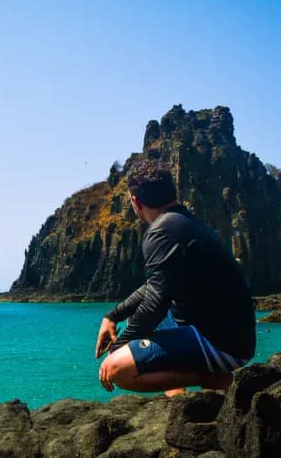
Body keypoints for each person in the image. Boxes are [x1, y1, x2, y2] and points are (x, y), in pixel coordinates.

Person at [95, 159, 256, 395]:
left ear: (135, 201)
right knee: (135, 324)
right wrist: (113, 316)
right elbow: (155, 286)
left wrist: (117, 350)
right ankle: (180, 403)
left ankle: (210, 376)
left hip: (222, 345)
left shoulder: (161, 231)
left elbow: (155, 304)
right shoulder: (183, 222)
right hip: (230, 334)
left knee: (117, 369)